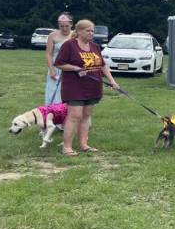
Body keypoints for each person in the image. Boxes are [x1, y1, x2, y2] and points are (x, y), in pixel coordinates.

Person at [53, 20, 119, 156]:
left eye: (92, 31)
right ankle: (67, 147)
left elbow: (102, 65)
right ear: (78, 32)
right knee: (74, 116)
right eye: (87, 31)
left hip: (93, 86)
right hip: (74, 87)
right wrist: (75, 68)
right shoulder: (69, 45)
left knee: (86, 116)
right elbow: (59, 63)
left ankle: (84, 145)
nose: (91, 33)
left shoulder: (95, 46)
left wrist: (112, 81)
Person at [44, 12, 73, 105]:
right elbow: (48, 54)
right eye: (61, 26)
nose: (64, 28)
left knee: (69, 92)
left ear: (71, 24)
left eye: (66, 26)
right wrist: (51, 70)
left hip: (70, 67)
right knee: (53, 91)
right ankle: (52, 114)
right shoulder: (53, 35)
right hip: (56, 67)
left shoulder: (76, 35)